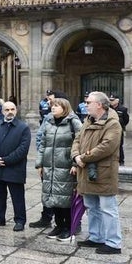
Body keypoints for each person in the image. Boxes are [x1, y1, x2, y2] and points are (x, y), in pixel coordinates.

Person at [72, 91, 123, 254]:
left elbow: (106, 147)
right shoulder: (88, 120)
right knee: (91, 206)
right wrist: (75, 156)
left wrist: (83, 158)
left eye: (88, 102)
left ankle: (113, 243)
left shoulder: (113, 123)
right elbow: (77, 140)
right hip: (86, 170)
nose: (85, 105)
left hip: (104, 172)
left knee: (108, 208)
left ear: (99, 105)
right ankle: (96, 237)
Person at [35, 97, 82, 241]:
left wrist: (75, 164)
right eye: (52, 106)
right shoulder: (48, 122)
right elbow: (43, 144)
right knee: (53, 196)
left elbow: (80, 143)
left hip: (66, 167)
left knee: (65, 197)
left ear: (65, 107)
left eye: (56, 106)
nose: (52, 108)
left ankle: (68, 226)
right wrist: (40, 163)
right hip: (50, 166)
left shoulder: (73, 122)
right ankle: (58, 225)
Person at [0, 101, 32, 231]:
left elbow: (23, 149)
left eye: (12, 109)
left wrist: (6, 160)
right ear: (2, 112)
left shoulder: (23, 128)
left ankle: (20, 220)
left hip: (14, 168)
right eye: (7, 110)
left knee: (17, 196)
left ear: (16, 111)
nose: (10, 112)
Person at [108, 94, 128, 165]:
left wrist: (121, 126)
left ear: (117, 100)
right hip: (109, 130)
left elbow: (126, 120)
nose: (111, 102)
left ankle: (121, 160)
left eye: (112, 100)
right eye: (110, 100)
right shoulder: (108, 109)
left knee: (119, 145)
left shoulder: (123, 109)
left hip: (118, 130)